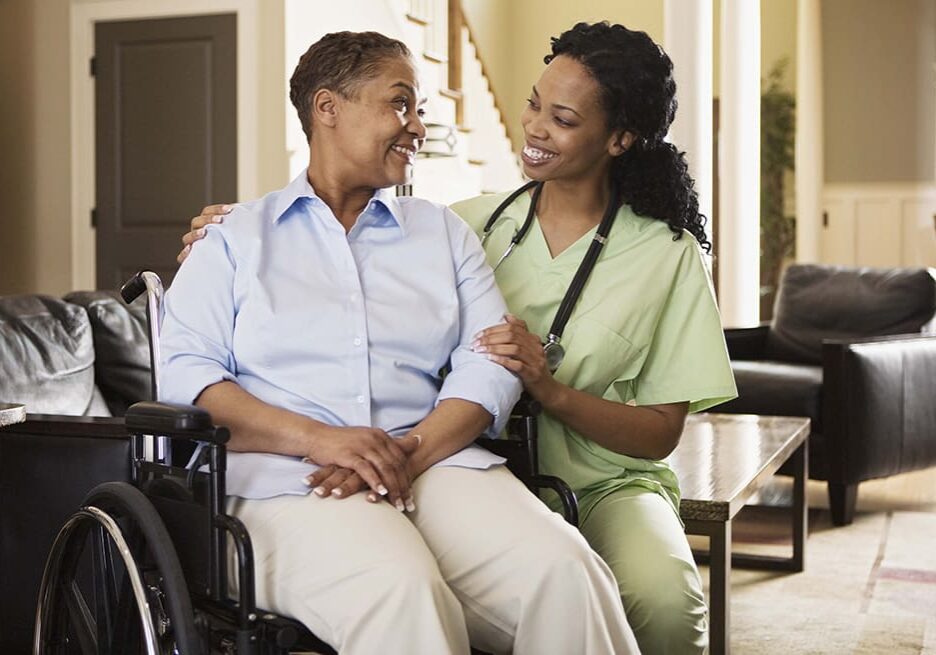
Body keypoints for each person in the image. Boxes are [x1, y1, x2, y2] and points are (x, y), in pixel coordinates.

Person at [180, 22, 737, 654]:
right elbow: (189, 379)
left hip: (463, 465)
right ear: (326, 109)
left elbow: (488, 361)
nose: (419, 126)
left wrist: (405, 454)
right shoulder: (238, 237)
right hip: (293, 477)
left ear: (618, 139)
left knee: (571, 575)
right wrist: (331, 443)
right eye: (402, 104)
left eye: (561, 117)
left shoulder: (443, 232)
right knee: (403, 588)